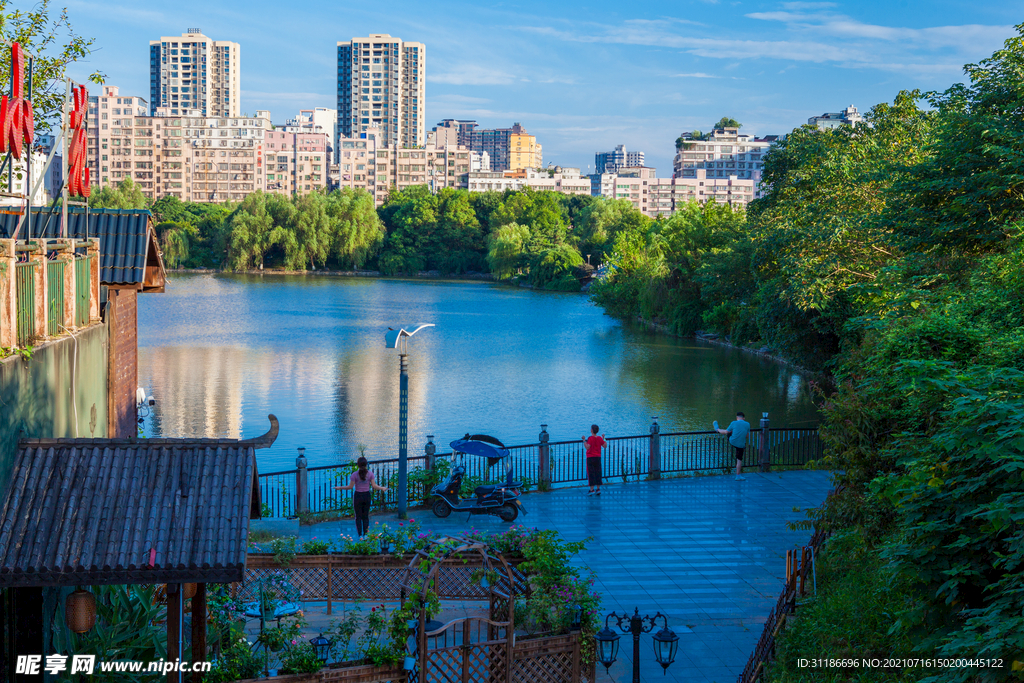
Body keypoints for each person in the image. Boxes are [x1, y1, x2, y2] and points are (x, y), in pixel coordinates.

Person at [334, 457, 388, 537]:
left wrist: (340, 487)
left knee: (358, 517)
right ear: (366, 464)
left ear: (358, 465)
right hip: (367, 496)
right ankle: (366, 535)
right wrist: (382, 488)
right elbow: (374, 486)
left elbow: (350, 487)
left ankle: (360, 535)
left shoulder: (354, 475)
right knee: (365, 516)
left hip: (358, 496)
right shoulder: (370, 474)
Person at [715, 412, 750, 480]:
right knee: (739, 460)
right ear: (744, 418)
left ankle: (717, 429)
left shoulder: (734, 423)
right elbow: (747, 436)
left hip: (732, 441)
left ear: (737, 417)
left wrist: (730, 432)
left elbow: (726, 432)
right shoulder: (747, 424)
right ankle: (738, 476)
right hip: (741, 444)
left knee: (728, 432)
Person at [581, 424, 607, 496]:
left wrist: (584, 441)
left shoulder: (590, 438)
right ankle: (598, 489)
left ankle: (591, 490)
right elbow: (605, 445)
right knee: (598, 472)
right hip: (598, 457)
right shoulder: (599, 438)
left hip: (590, 458)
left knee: (591, 473)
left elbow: (587, 447)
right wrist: (604, 438)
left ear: (591, 430)